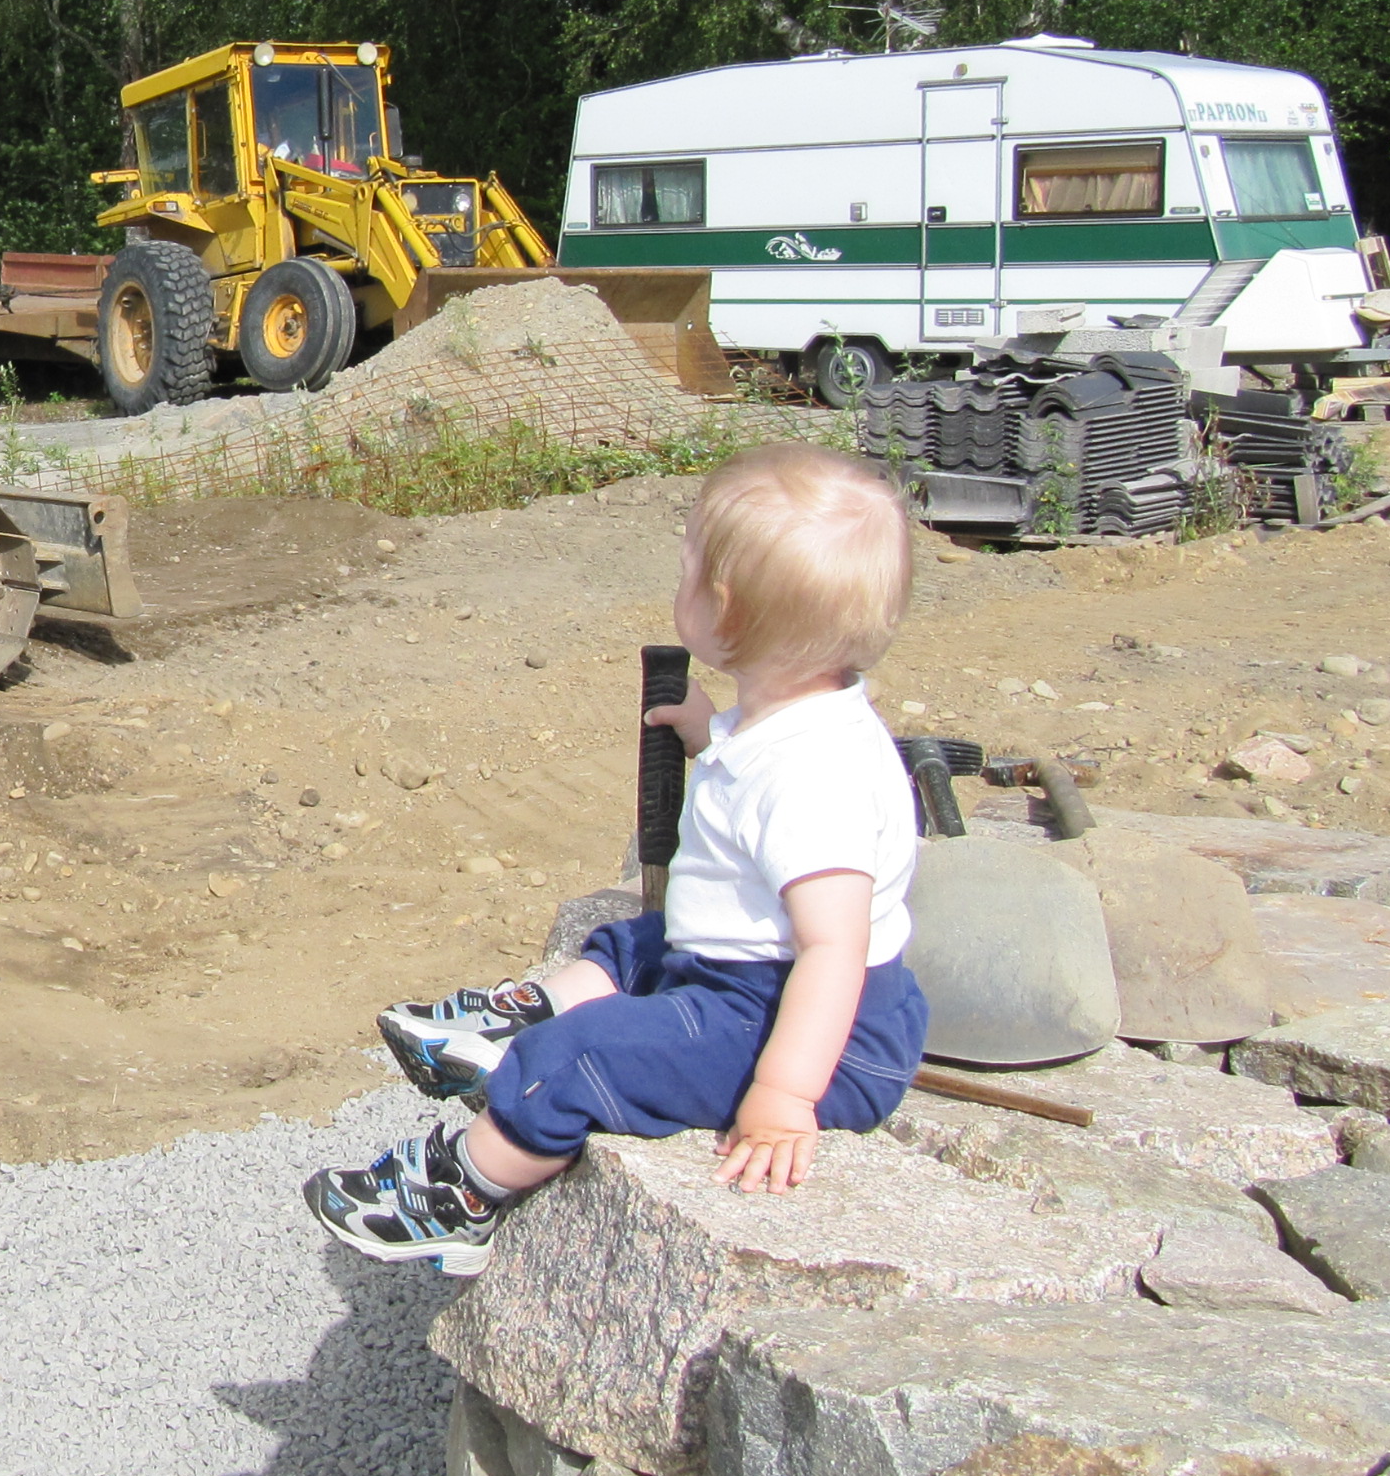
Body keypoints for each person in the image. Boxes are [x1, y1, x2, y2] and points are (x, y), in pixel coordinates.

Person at [304, 441, 929, 1275]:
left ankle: (466, 1193)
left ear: (728, 611)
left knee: (582, 1056)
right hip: (746, 975)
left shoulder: (817, 779)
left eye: (688, 571)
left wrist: (783, 1095)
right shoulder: (791, 716)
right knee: (631, 943)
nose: (677, 586)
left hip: (808, 1028)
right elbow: (758, 797)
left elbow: (834, 948)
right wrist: (707, 735)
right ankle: (508, 1022)